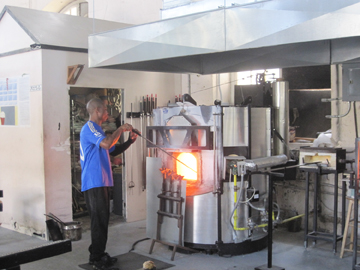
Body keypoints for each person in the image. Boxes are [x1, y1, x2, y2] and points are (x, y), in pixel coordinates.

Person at [80, 98, 138, 270]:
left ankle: (99, 253)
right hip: (93, 181)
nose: (107, 113)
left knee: (103, 220)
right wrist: (120, 128)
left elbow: (112, 148)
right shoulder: (90, 128)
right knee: (98, 221)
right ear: (97, 111)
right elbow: (106, 144)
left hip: (102, 181)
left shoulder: (98, 130)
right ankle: (95, 257)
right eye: (105, 110)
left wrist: (129, 141)